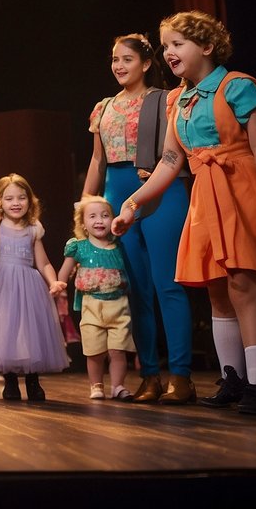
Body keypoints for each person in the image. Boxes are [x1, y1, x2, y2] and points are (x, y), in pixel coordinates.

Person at [114, 11, 256, 416]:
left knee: (242, 286)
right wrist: (133, 203)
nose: (169, 52)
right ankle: (233, 378)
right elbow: (169, 160)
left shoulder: (237, 87)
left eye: (177, 44)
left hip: (241, 189)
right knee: (216, 288)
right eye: (165, 46)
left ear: (207, 47)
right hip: (205, 195)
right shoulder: (177, 100)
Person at [83, 33, 193, 404]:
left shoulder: (164, 101)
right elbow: (98, 161)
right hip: (117, 197)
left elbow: (173, 154)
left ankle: (181, 376)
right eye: (114, 59)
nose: (118, 66)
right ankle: (150, 375)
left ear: (146, 63)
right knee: (136, 292)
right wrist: (85, 204)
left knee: (168, 286)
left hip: (162, 192)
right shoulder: (103, 108)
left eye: (126, 59)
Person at [0, 174, 69, 401]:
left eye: (21, 197)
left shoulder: (33, 228)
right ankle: (10, 380)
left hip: (28, 285)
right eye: (9, 199)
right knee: (5, 329)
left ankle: (32, 380)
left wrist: (53, 280)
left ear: (30, 200)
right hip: (3, 283)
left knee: (29, 331)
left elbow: (43, 261)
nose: (16, 203)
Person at [58, 195, 135, 401]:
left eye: (105, 215)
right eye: (92, 216)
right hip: (91, 305)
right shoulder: (79, 247)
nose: (99, 220)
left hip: (119, 305)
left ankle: (118, 386)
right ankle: (96, 385)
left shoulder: (119, 245)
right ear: (83, 224)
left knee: (118, 350)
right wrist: (59, 284)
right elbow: (64, 273)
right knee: (94, 351)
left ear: (113, 220)